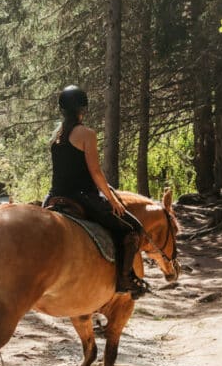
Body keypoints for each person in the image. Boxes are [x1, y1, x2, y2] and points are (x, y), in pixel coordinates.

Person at [43, 85, 149, 297]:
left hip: (54, 196)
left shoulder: (57, 136)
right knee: (131, 229)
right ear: (83, 109)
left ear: (63, 109)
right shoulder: (86, 133)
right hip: (81, 197)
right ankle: (124, 279)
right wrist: (112, 199)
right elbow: (95, 172)